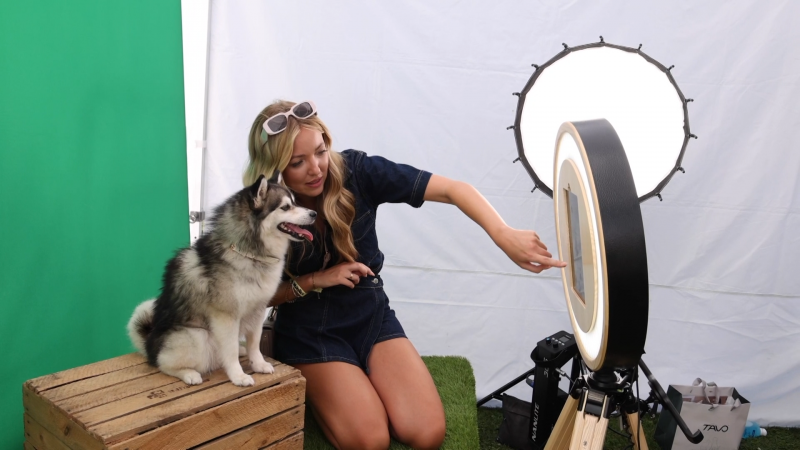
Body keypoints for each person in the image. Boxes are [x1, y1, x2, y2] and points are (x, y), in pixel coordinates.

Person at [245, 100, 566, 450]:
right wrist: (313, 280)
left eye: (321, 151)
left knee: (426, 433)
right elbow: (251, 296)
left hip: (370, 314)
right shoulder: (257, 211)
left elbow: (451, 189)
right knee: (371, 441)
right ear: (274, 170)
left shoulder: (358, 171)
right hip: (309, 330)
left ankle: (355, 381)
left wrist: (503, 233)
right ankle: (328, 393)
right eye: (297, 163)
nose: (316, 168)